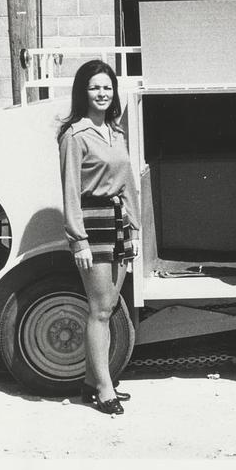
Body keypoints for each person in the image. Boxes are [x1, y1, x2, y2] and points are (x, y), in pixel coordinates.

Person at [58, 60, 140, 415]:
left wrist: (135, 229)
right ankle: (105, 387)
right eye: (95, 87)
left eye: (107, 87)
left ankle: (91, 382)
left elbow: (128, 184)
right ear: (83, 92)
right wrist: (78, 240)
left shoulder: (117, 133)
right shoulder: (74, 136)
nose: (102, 93)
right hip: (92, 223)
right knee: (100, 308)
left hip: (119, 222)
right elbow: (70, 191)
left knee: (110, 305)